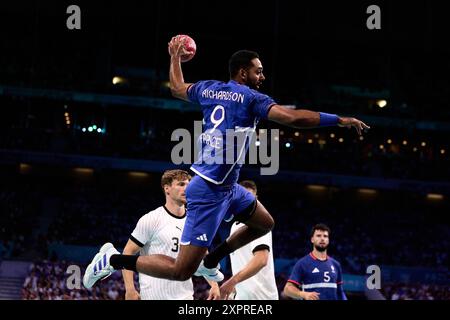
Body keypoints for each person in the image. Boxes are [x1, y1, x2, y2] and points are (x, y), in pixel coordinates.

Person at [83, 36, 370, 287]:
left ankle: (213, 258)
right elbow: (293, 118)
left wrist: (174, 57)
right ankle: (114, 259)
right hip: (208, 191)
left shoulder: (210, 88)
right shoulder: (251, 98)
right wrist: (339, 120)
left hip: (228, 187)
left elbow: (177, 87)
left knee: (263, 223)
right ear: (243, 73)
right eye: (258, 72)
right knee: (181, 271)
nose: (262, 77)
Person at [85, 169, 220, 300]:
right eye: (181, 184)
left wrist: (214, 285)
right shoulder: (151, 219)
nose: (187, 188)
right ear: (167, 188)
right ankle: (109, 259)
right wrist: (130, 289)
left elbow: (201, 257)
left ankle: (110, 259)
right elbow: (128, 252)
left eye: (189, 185)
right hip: (152, 296)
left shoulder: (195, 222)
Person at [220, 180, 278, 300]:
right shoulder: (235, 226)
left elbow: (261, 259)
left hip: (262, 298)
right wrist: (234, 291)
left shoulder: (260, 223)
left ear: (256, 200)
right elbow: (241, 263)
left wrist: (232, 281)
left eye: (250, 199)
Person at [283, 224, 347, 300]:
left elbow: (340, 292)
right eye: (318, 236)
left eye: (325, 236)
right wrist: (303, 294)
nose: (322, 239)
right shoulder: (302, 264)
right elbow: (287, 289)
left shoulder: (336, 265)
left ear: (328, 240)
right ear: (312, 239)